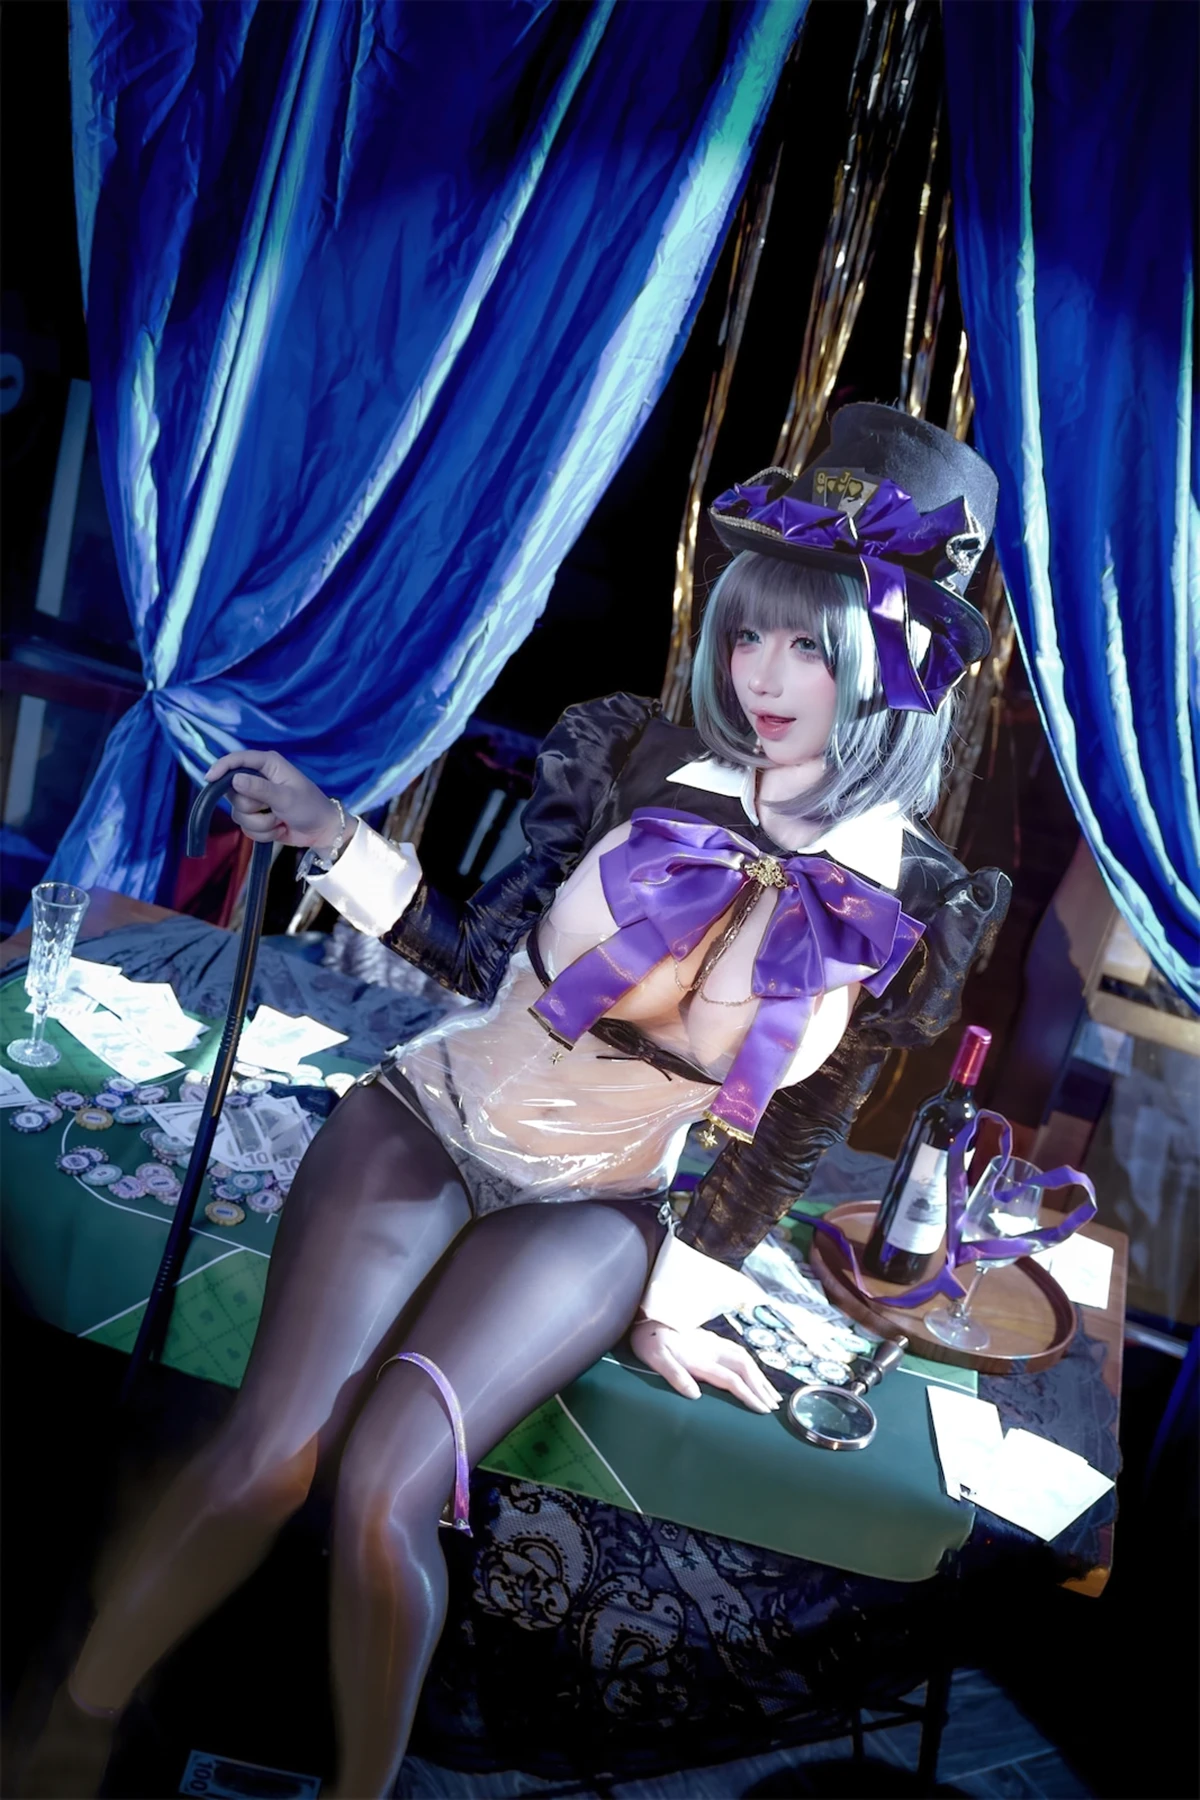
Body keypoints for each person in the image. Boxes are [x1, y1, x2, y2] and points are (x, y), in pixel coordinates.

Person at [24, 406, 1010, 1798]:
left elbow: (792, 1126)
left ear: (894, 670)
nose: (761, 673)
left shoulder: (911, 898)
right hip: (432, 1117)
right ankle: (73, 1720)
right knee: (273, 1456)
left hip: (601, 1203)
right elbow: (486, 955)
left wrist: (682, 1296)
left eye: (811, 645)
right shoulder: (633, 757)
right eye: (751, 631)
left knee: (388, 1491)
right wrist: (335, 838)